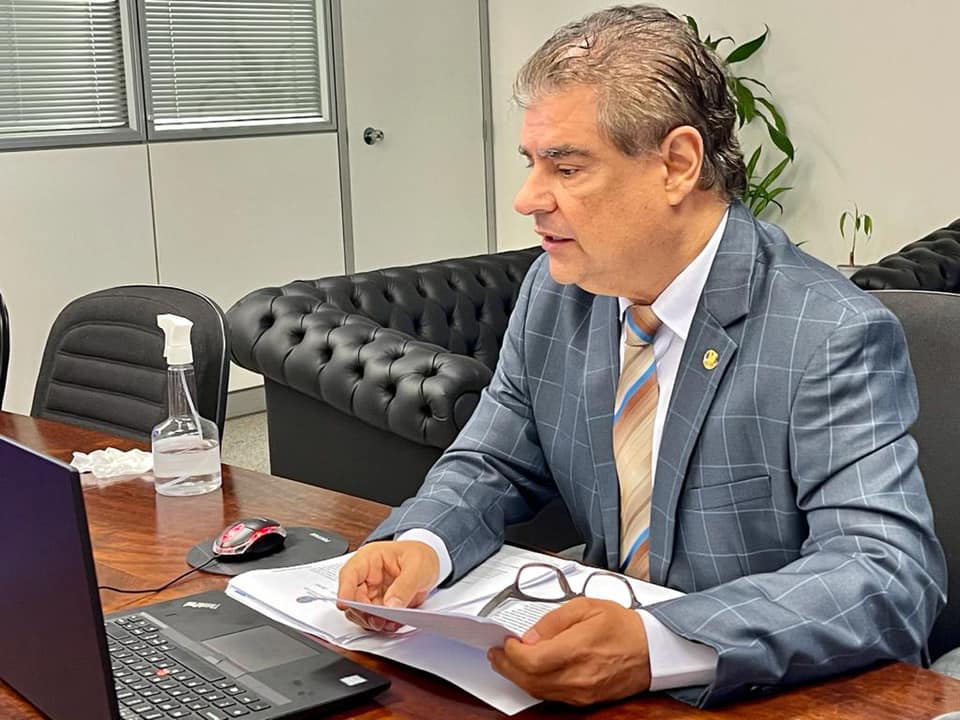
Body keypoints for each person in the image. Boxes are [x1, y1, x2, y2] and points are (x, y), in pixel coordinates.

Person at [337, 4, 946, 708]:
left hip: (763, 691)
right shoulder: (559, 292)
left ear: (677, 164)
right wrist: (425, 542)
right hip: (590, 682)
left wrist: (659, 644)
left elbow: (884, 575)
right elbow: (493, 462)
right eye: (533, 164)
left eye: (567, 167)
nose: (528, 199)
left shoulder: (827, 331)